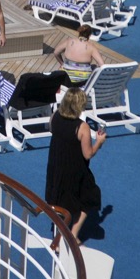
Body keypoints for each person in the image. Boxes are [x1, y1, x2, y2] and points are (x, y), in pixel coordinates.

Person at [45, 87, 106, 244]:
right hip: (74, 170)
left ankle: (60, 234)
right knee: (91, 197)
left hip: (56, 166)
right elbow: (88, 154)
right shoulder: (82, 127)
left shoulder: (55, 116)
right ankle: (72, 235)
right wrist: (99, 142)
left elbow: (54, 132)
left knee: (60, 200)